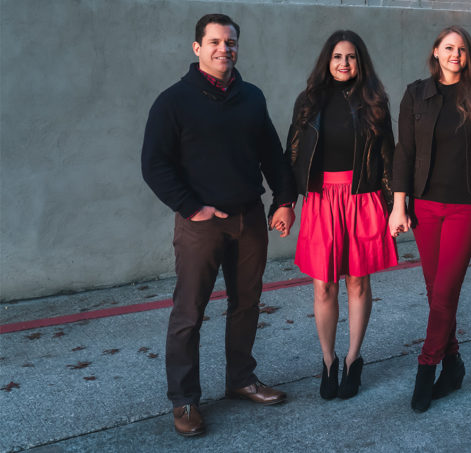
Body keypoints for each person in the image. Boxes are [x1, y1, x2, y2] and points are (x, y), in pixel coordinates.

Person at [141, 14, 297, 436]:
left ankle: (241, 379)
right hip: (201, 224)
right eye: (214, 42)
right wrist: (193, 209)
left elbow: (272, 154)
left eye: (230, 42)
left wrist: (284, 201)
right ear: (197, 48)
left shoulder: (251, 97)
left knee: (247, 303)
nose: (223, 49)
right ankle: (184, 400)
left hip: (249, 218)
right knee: (189, 312)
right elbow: (154, 164)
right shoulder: (173, 101)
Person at [389, 25, 471, 413]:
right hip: (424, 205)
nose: (455, 54)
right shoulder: (416, 94)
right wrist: (398, 205)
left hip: (466, 206)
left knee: (443, 292)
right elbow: (404, 152)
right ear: (436, 52)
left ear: (468, 55)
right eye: (448, 47)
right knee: (436, 291)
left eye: (462, 49)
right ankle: (453, 363)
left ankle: (427, 367)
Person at [286, 30, 397, 400]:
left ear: (359, 61)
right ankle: (328, 360)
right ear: (327, 60)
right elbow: (293, 152)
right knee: (323, 285)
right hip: (321, 200)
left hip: (362, 197)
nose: (344, 63)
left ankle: (352, 359)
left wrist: (396, 206)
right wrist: (284, 202)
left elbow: (388, 156)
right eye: (337, 56)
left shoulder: (374, 101)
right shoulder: (309, 100)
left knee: (358, 282)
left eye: (350, 56)